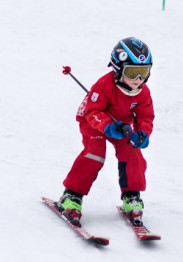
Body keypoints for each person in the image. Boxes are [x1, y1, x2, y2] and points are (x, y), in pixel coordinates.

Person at [57, 37, 155, 227]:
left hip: (122, 124)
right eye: (132, 72)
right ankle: (72, 195)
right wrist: (107, 126)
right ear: (118, 69)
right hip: (93, 122)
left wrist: (142, 133)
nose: (138, 79)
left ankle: (131, 196)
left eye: (143, 72)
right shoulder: (104, 86)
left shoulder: (143, 92)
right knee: (95, 155)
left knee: (132, 152)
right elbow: (92, 111)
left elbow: (145, 116)